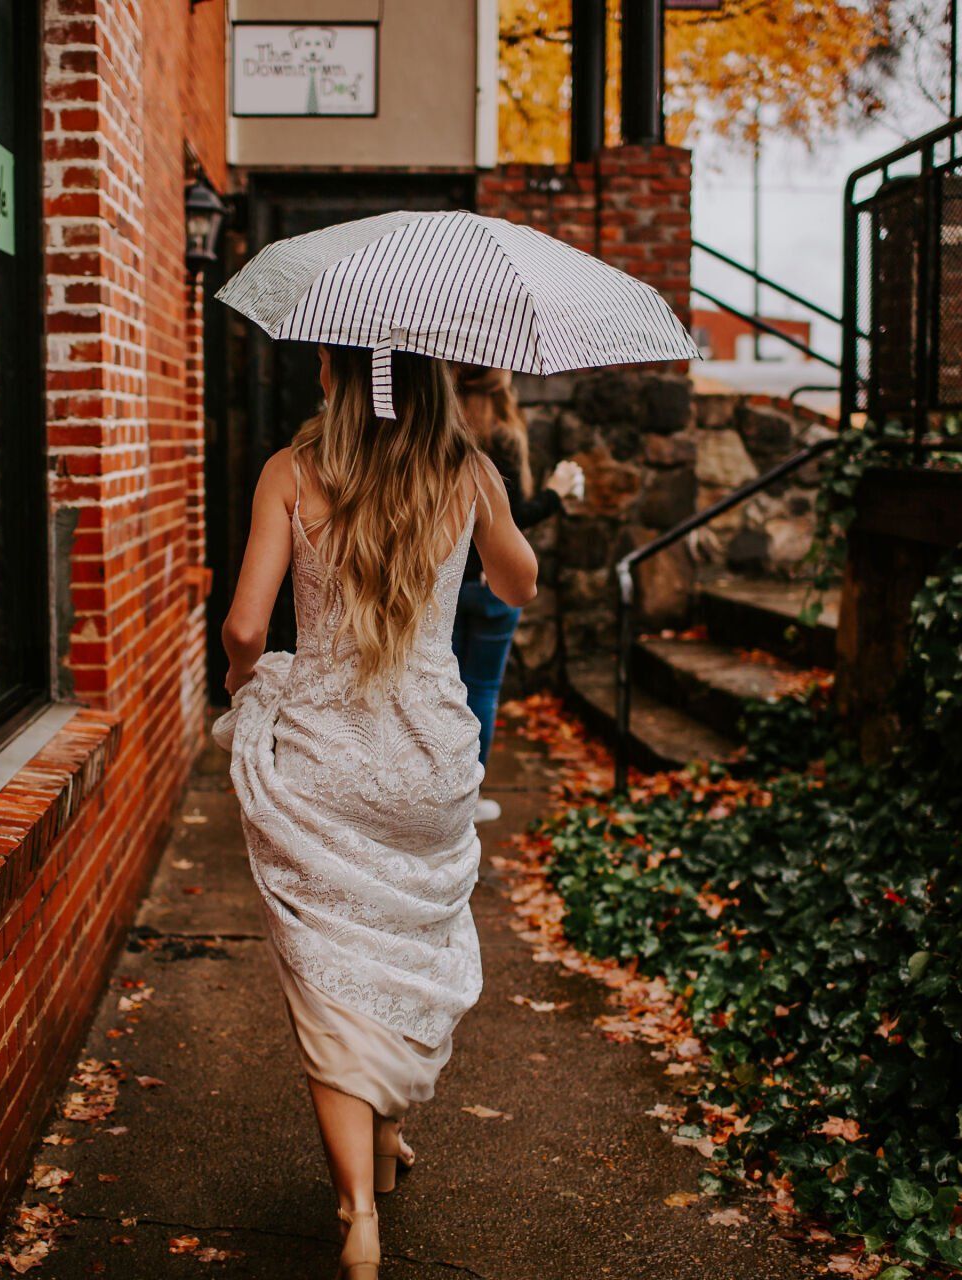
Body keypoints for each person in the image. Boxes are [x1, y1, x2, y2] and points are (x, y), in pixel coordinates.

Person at [216, 345, 539, 1278]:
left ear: (336, 373)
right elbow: (517, 584)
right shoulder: (468, 471)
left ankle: (358, 1212)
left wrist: (250, 682)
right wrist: (490, 510)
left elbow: (244, 627)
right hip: (430, 754)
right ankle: (387, 1141)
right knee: (403, 938)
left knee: (329, 965)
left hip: (326, 749)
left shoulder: (292, 471)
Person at [450, 365, 583, 822]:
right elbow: (511, 520)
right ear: (501, 380)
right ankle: (468, 796)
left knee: (444, 689)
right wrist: (556, 492)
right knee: (482, 689)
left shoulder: (442, 434)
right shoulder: (503, 438)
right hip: (492, 586)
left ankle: (440, 789)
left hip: (447, 583)